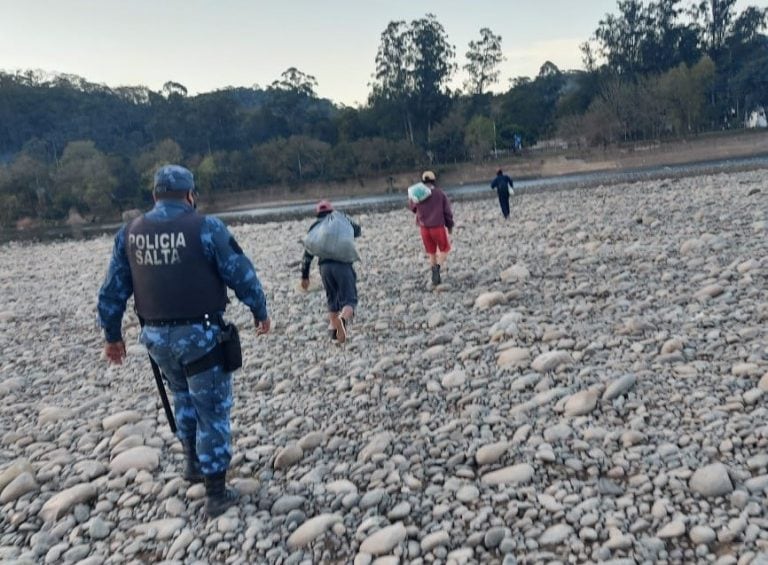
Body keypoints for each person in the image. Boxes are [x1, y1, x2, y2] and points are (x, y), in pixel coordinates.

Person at [97, 164, 271, 518]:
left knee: (182, 397)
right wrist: (259, 309)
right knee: (212, 412)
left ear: (154, 196)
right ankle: (217, 493)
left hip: (156, 340)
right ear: (191, 195)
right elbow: (241, 272)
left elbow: (112, 290)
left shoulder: (129, 233)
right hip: (201, 336)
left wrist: (113, 336)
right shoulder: (206, 227)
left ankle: (192, 463)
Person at [300, 200, 361, 344]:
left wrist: (304, 276)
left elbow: (307, 254)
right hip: (343, 266)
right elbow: (358, 231)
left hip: (325, 268)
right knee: (349, 301)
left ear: (317, 213)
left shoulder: (315, 227)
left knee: (332, 301)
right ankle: (343, 319)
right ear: (332, 210)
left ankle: (335, 335)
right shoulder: (341, 220)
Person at [409, 170, 454, 286]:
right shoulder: (440, 193)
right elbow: (447, 212)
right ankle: (437, 269)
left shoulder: (417, 193)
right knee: (445, 249)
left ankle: (434, 274)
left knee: (431, 252)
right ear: (434, 181)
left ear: (422, 181)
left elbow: (413, 208)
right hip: (437, 226)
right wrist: (450, 225)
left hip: (424, 228)